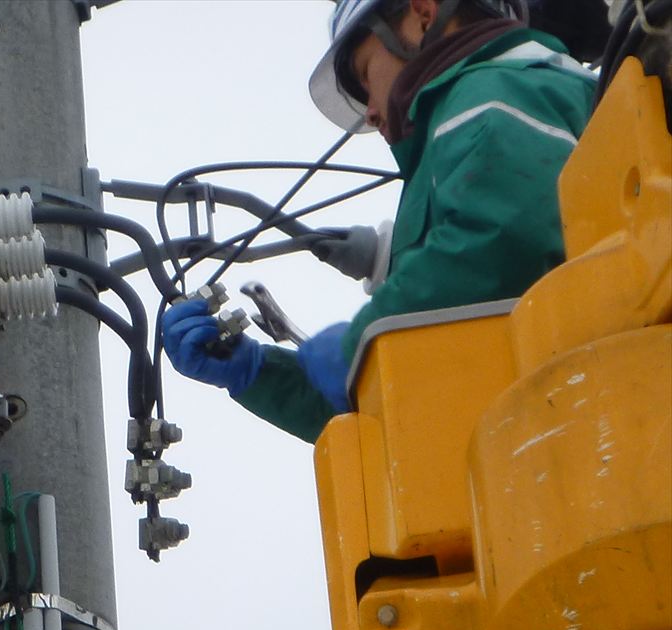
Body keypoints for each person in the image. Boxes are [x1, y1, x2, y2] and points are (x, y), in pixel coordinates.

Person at [161, 0, 596, 443]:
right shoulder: (475, 119)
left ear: (424, 13)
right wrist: (256, 373)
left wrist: (363, 344)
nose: (370, 111)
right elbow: (404, 403)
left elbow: (503, 241)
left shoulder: (498, 86)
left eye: (367, 74)